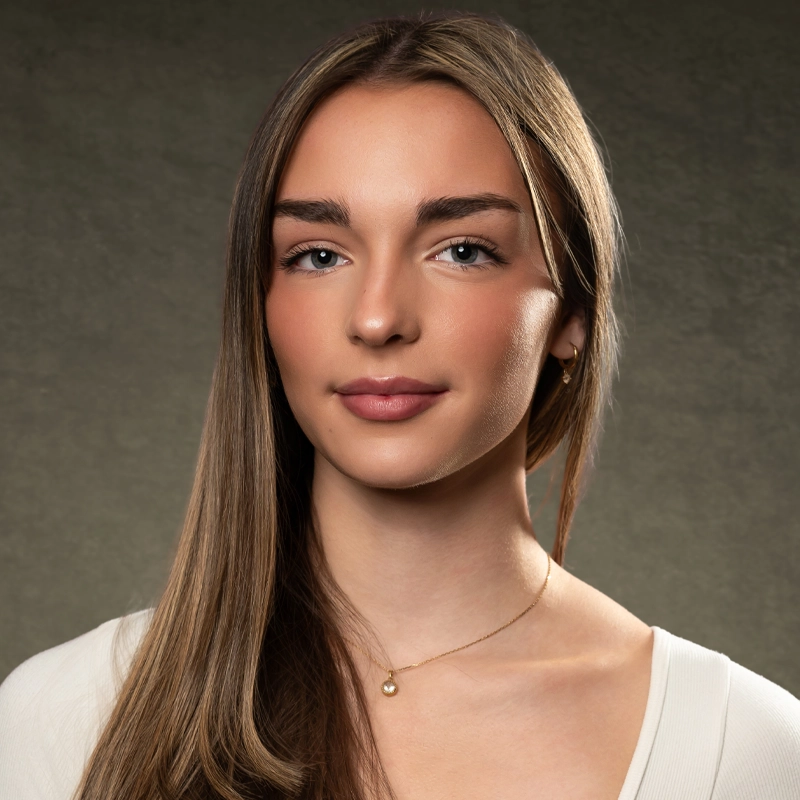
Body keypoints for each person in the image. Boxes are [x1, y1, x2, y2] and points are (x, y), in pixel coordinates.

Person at [0, 11, 798, 800]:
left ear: (572, 312)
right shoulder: (58, 721)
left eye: (462, 250)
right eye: (318, 255)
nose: (378, 318)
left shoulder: (750, 754)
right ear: (261, 303)